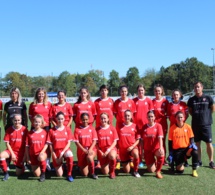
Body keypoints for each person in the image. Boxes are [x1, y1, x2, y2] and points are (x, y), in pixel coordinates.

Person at [187, 81, 215, 168]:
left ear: (202, 88)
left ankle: (211, 161)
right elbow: (190, 111)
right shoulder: (191, 100)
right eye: (195, 87)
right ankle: (199, 160)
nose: (197, 88)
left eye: (198, 87)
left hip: (206, 125)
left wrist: (206, 117)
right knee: (197, 144)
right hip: (195, 125)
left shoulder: (208, 98)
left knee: (208, 143)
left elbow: (212, 109)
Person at [168, 111, 198, 177]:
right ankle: (180, 162)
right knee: (180, 171)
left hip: (186, 149)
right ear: (175, 118)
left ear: (184, 118)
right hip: (177, 151)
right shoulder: (172, 128)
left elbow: (191, 137)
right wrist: (170, 153)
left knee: (195, 152)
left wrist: (192, 144)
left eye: (181, 117)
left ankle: (194, 170)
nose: (180, 119)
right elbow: (170, 142)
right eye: (178, 117)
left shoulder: (188, 127)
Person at [29, 87, 52, 170]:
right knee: (33, 144)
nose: (41, 95)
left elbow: (50, 116)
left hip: (46, 127)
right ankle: (33, 160)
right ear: (37, 94)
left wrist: (44, 124)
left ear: (45, 94)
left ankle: (47, 162)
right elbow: (30, 117)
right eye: (39, 93)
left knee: (48, 145)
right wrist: (36, 124)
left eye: (42, 93)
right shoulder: (33, 104)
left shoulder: (48, 104)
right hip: (35, 127)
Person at [47, 111, 74, 182]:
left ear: (64, 119)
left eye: (62, 119)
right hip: (56, 151)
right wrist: (55, 156)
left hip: (65, 150)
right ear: (56, 119)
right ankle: (63, 166)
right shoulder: (51, 130)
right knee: (59, 174)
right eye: (59, 119)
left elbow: (68, 143)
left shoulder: (67, 129)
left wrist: (62, 153)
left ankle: (69, 174)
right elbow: (50, 145)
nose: (60, 120)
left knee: (70, 154)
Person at [113, 85, 136, 169]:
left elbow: (133, 114)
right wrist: (121, 121)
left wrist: (129, 124)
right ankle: (118, 160)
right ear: (120, 92)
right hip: (120, 125)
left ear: (127, 92)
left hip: (129, 125)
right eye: (122, 91)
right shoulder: (116, 102)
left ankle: (131, 160)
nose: (124, 93)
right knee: (119, 143)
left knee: (129, 141)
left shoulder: (131, 102)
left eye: (125, 91)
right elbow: (115, 114)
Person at [0, 114, 28, 181]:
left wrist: (25, 156)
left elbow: (27, 144)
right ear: (12, 120)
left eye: (18, 120)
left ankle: (22, 167)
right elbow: (7, 143)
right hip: (11, 151)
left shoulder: (24, 129)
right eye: (15, 120)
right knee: (1, 155)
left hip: (21, 153)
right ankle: (6, 173)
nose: (17, 122)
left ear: (21, 120)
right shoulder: (9, 129)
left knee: (18, 173)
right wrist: (12, 154)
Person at [133, 84, 153, 168]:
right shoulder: (134, 101)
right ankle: (140, 160)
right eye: (139, 90)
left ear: (144, 91)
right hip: (137, 126)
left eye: (142, 90)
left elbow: (151, 114)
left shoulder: (148, 100)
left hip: (146, 126)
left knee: (147, 144)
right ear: (137, 91)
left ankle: (149, 159)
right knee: (139, 144)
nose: (140, 92)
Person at [94, 84, 114, 168]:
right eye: (102, 90)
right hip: (99, 127)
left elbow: (114, 113)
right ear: (100, 91)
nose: (103, 92)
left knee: (110, 143)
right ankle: (99, 161)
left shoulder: (111, 101)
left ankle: (112, 159)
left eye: (105, 90)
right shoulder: (96, 102)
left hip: (109, 127)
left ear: (108, 91)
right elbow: (94, 115)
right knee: (99, 144)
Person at [74, 113, 98, 179]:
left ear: (89, 119)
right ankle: (84, 166)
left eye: (86, 119)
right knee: (84, 174)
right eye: (83, 119)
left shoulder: (92, 129)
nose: (85, 121)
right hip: (82, 151)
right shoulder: (77, 129)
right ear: (81, 120)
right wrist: (83, 150)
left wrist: (90, 149)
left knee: (89, 157)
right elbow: (76, 142)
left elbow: (94, 141)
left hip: (91, 149)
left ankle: (93, 173)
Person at [141, 110, 164, 179]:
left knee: (161, 154)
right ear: (146, 117)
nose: (150, 118)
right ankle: (154, 162)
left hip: (156, 148)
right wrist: (142, 151)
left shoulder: (158, 126)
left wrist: (161, 148)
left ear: (154, 117)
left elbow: (160, 138)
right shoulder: (144, 127)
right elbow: (142, 141)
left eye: (152, 116)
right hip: (147, 150)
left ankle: (158, 171)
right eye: (149, 117)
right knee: (151, 170)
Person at [25, 115, 49, 182]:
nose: (37, 123)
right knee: (36, 174)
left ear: (41, 123)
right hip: (33, 155)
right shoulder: (29, 133)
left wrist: (42, 152)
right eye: (35, 122)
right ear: (33, 122)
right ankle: (42, 167)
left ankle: (43, 174)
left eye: (39, 122)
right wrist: (28, 158)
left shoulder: (45, 132)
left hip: (41, 153)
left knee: (41, 157)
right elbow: (27, 146)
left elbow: (47, 144)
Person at [118, 110, 141, 177]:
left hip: (132, 148)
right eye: (125, 116)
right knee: (127, 171)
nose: (127, 117)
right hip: (123, 151)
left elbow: (138, 139)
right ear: (123, 116)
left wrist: (132, 146)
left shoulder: (135, 126)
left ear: (131, 116)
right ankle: (128, 161)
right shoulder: (119, 126)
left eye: (128, 115)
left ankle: (136, 171)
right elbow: (116, 140)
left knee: (136, 154)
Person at [96, 113, 118, 179]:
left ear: (108, 119)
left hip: (110, 149)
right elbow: (95, 143)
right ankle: (109, 162)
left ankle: (112, 172)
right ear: (99, 119)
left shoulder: (112, 128)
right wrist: (100, 152)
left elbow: (115, 142)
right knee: (105, 172)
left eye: (105, 118)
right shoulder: (97, 129)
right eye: (102, 118)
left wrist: (108, 150)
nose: (103, 120)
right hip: (102, 151)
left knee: (111, 155)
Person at [152, 84, 169, 165]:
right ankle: (154, 158)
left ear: (162, 91)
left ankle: (163, 158)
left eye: (159, 90)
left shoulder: (165, 101)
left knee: (162, 141)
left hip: (163, 124)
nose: (157, 92)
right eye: (156, 91)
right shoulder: (152, 101)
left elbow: (168, 113)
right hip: (154, 124)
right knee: (154, 141)